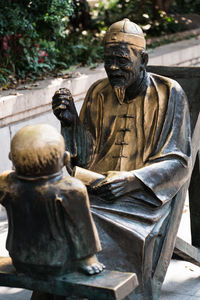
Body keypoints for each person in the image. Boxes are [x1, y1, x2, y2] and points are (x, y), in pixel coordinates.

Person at [52, 19, 191, 299]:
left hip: (141, 197)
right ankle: (61, 286)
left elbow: (178, 161)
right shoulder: (98, 92)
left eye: (122, 60)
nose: (113, 68)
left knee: (81, 215)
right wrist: (70, 124)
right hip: (96, 188)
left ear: (144, 60)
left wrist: (132, 180)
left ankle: (104, 288)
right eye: (108, 61)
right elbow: (84, 156)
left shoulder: (169, 92)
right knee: (50, 203)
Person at [0, 124, 104, 299]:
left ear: (12, 158)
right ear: (65, 158)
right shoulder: (70, 189)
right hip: (59, 262)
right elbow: (81, 230)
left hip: (20, 259)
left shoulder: (6, 183)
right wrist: (88, 258)